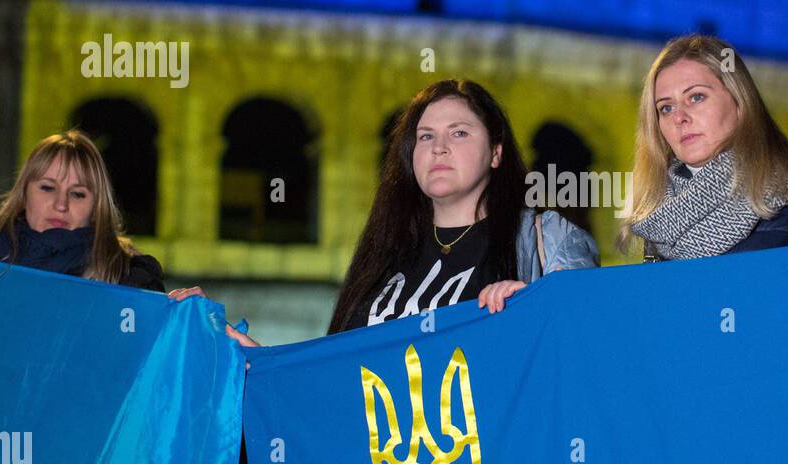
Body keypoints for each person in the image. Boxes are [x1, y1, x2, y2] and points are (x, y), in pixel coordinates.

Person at [171, 78, 599, 342]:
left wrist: (537, 309)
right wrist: (231, 346)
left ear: (496, 153)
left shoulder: (545, 238)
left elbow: (591, 340)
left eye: (460, 133)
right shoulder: (386, 254)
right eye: (426, 137)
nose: (440, 147)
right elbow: (327, 380)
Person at [622, 34, 788, 260]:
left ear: (740, 102)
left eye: (696, 97)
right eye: (666, 108)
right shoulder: (656, 227)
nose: (679, 117)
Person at [0, 130, 164, 290]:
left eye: (77, 194)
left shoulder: (131, 277)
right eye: (47, 188)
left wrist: (179, 317)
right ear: (24, 195)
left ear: (97, 207)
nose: (61, 205)